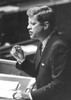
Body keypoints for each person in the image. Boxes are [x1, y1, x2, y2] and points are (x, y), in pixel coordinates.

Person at [11, 5, 71, 100]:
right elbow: (38, 72)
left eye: (32, 24)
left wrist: (30, 95)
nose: (28, 27)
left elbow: (60, 84)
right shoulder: (43, 42)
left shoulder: (59, 47)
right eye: (28, 23)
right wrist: (21, 59)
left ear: (46, 25)